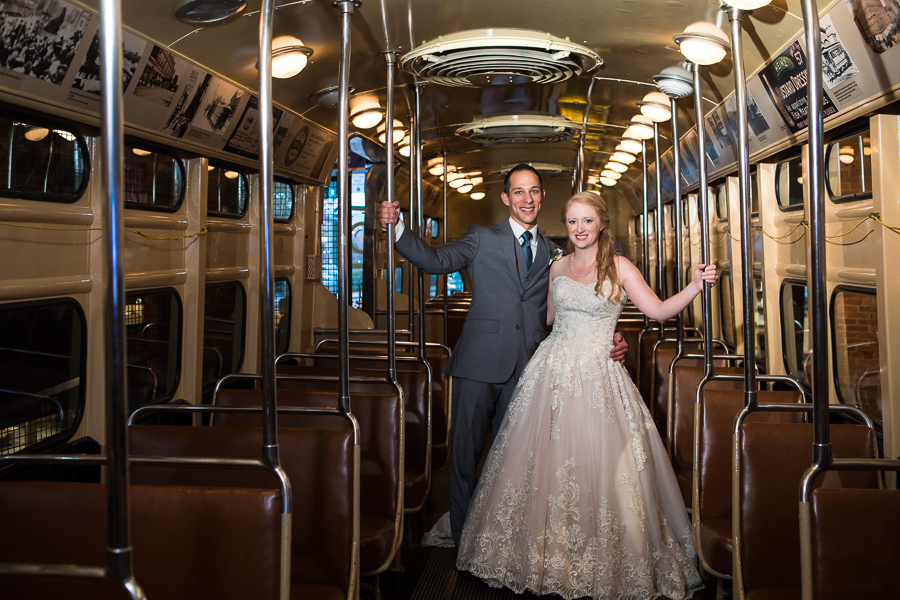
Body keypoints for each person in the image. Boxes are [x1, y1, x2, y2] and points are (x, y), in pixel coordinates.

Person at [456, 191, 714, 600]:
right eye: (572, 221)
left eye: (587, 221)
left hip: (599, 377)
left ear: (601, 225)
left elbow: (659, 311)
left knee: (603, 469)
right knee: (542, 468)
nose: (579, 229)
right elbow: (547, 321)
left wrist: (695, 286)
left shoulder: (621, 267)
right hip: (552, 373)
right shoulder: (556, 267)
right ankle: (545, 555)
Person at [377, 165, 627, 549]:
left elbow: (578, 302)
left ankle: (506, 540)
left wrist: (610, 334)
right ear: (506, 198)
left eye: (534, 191)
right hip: (477, 363)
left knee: (514, 462)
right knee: (465, 458)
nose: (527, 199)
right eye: (519, 192)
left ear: (542, 197)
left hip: (528, 370)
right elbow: (434, 260)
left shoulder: (553, 252)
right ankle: (465, 541)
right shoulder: (481, 237)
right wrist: (397, 228)